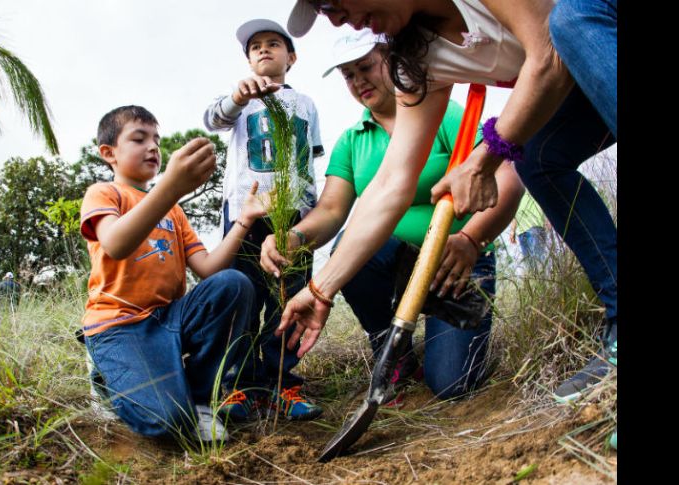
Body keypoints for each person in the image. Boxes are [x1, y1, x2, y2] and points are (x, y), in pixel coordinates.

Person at [281, 0, 616, 404]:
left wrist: (481, 164)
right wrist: (320, 290)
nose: (334, 19)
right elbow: (390, 185)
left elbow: (547, 50)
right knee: (540, 160)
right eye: (323, 13)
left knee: (571, 17)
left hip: (599, 36)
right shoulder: (417, 60)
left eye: (331, 3)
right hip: (582, 81)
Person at [261, 30, 523, 403]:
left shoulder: (440, 111)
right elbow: (333, 210)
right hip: (395, 263)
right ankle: (393, 349)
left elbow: (505, 176)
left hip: (457, 262)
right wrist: (296, 237)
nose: (358, 81)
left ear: (391, 60)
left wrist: (470, 239)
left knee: (452, 385)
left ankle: (441, 340)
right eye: (348, 75)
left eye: (365, 66)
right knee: (347, 248)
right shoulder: (352, 141)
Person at [80, 105, 267, 442]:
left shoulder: (174, 210)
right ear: (109, 153)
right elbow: (115, 245)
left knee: (234, 284)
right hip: (120, 325)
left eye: (157, 139)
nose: (153, 147)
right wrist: (170, 188)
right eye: (139, 139)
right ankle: (106, 377)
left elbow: (209, 269)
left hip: (169, 318)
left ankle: (200, 397)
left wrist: (244, 220)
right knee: (165, 422)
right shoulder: (104, 193)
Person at [203, 19, 325, 421]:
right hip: (244, 213)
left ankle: (278, 383)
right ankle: (235, 383)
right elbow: (213, 120)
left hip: (290, 216)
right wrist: (237, 97)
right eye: (255, 47)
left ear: (291, 57)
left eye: (274, 44)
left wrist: (309, 210)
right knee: (243, 295)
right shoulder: (240, 100)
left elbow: (310, 155)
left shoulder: (305, 102)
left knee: (287, 299)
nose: (264, 50)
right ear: (248, 60)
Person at [509, 193, 550, 273]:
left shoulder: (529, 185)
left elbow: (544, 200)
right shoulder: (513, 193)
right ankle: (537, 284)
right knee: (530, 265)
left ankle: (545, 281)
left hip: (536, 227)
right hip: (522, 233)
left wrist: (547, 218)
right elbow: (514, 215)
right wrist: (512, 231)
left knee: (538, 260)